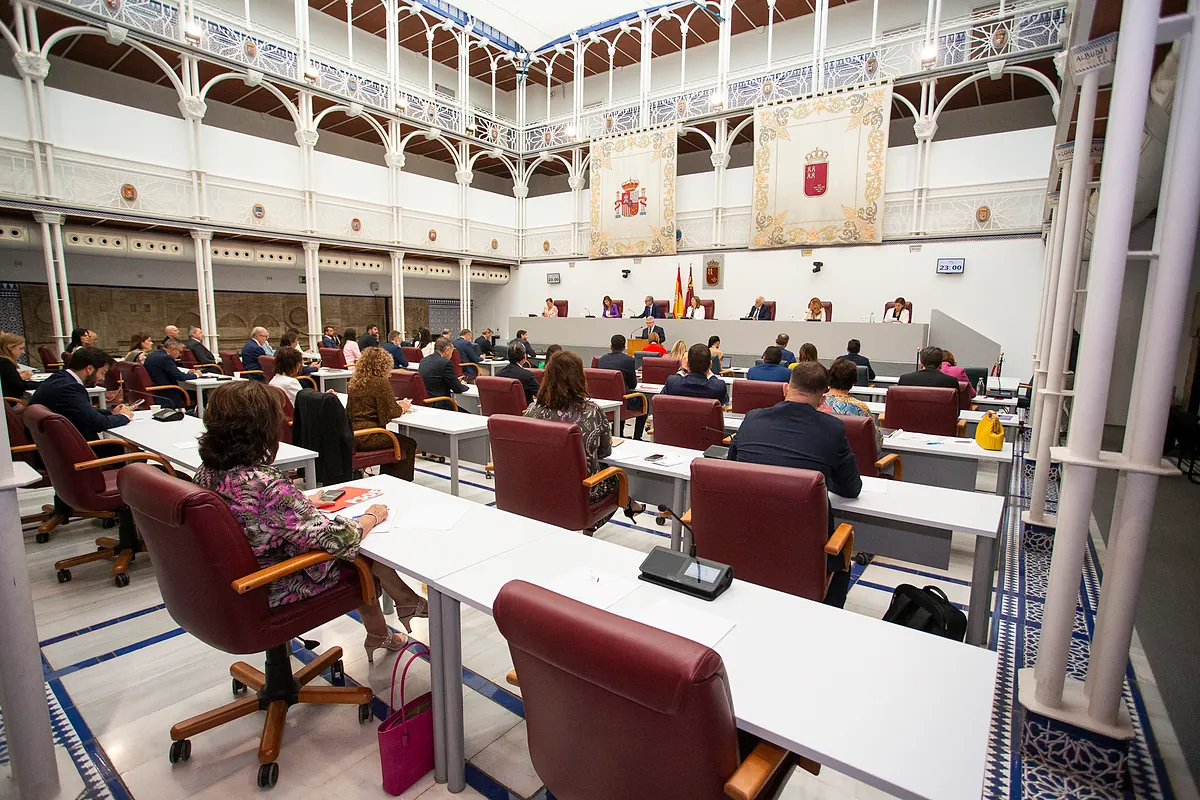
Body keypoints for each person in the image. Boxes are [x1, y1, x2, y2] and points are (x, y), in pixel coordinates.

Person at [193, 380, 427, 662]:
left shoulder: (208, 472)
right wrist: (372, 515)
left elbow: (256, 513)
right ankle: (405, 604)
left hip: (228, 582)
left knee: (360, 551)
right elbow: (341, 537)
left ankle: (385, 625)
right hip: (274, 585)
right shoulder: (267, 486)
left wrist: (302, 502)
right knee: (362, 552)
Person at [728, 361, 861, 607]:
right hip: (803, 554)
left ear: (785, 388)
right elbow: (851, 488)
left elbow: (733, 470)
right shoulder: (833, 428)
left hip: (744, 539)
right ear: (823, 397)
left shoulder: (752, 419)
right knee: (841, 557)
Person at [524, 351, 642, 529]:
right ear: (580, 377)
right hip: (582, 492)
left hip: (540, 488)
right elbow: (604, 452)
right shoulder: (592, 412)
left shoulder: (532, 411)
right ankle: (629, 506)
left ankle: (631, 506)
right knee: (614, 476)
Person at [30, 347, 135, 439]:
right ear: (89, 369)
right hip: (75, 451)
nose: (102, 378)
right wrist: (124, 417)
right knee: (131, 450)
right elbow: (98, 423)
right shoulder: (69, 388)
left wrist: (111, 413)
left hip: (55, 445)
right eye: (102, 373)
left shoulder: (60, 378)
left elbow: (83, 411)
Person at [347, 347, 419, 480]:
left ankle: (387, 477)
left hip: (353, 434)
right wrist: (402, 407)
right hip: (370, 435)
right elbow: (391, 412)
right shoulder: (380, 382)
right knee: (408, 444)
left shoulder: (354, 382)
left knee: (398, 440)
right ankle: (398, 482)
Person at [597, 334, 646, 440]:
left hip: (604, 401)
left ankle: (618, 433)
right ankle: (637, 437)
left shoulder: (601, 360)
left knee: (620, 395)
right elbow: (633, 384)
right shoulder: (629, 360)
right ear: (624, 348)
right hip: (622, 401)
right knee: (643, 401)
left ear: (611, 347)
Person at [661, 344, 729, 404]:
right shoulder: (718, 387)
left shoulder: (672, 383)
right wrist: (710, 372)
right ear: (710, 365)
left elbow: (659, 400)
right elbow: (725, 402)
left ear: (687, 364)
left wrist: (683, 369)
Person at [144, 339, 200, 407]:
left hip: (157, 389)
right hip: (166, 392)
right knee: (198, 394)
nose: (180, 355)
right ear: (173, 349)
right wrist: (196, 374)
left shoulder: (153, 354)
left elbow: (170, 369)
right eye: (180, 352)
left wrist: (187, 372)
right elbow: (179, 376)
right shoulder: (166, 358)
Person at [418, 337, 468, 411]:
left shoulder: (423, 360)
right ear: (447, 351)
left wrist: (453, 380)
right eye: (451, 352)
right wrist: (464, 385)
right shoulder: (446, 363)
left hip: (428, 403)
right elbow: (458, 389)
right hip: (442, 404)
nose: (451, 355)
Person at [0, 333, 38, 399]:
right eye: (20, 348)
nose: (23, 352)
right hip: (12, 402)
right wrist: (44, 384)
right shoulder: (5, 363)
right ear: (10, 347)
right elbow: (19, 386)